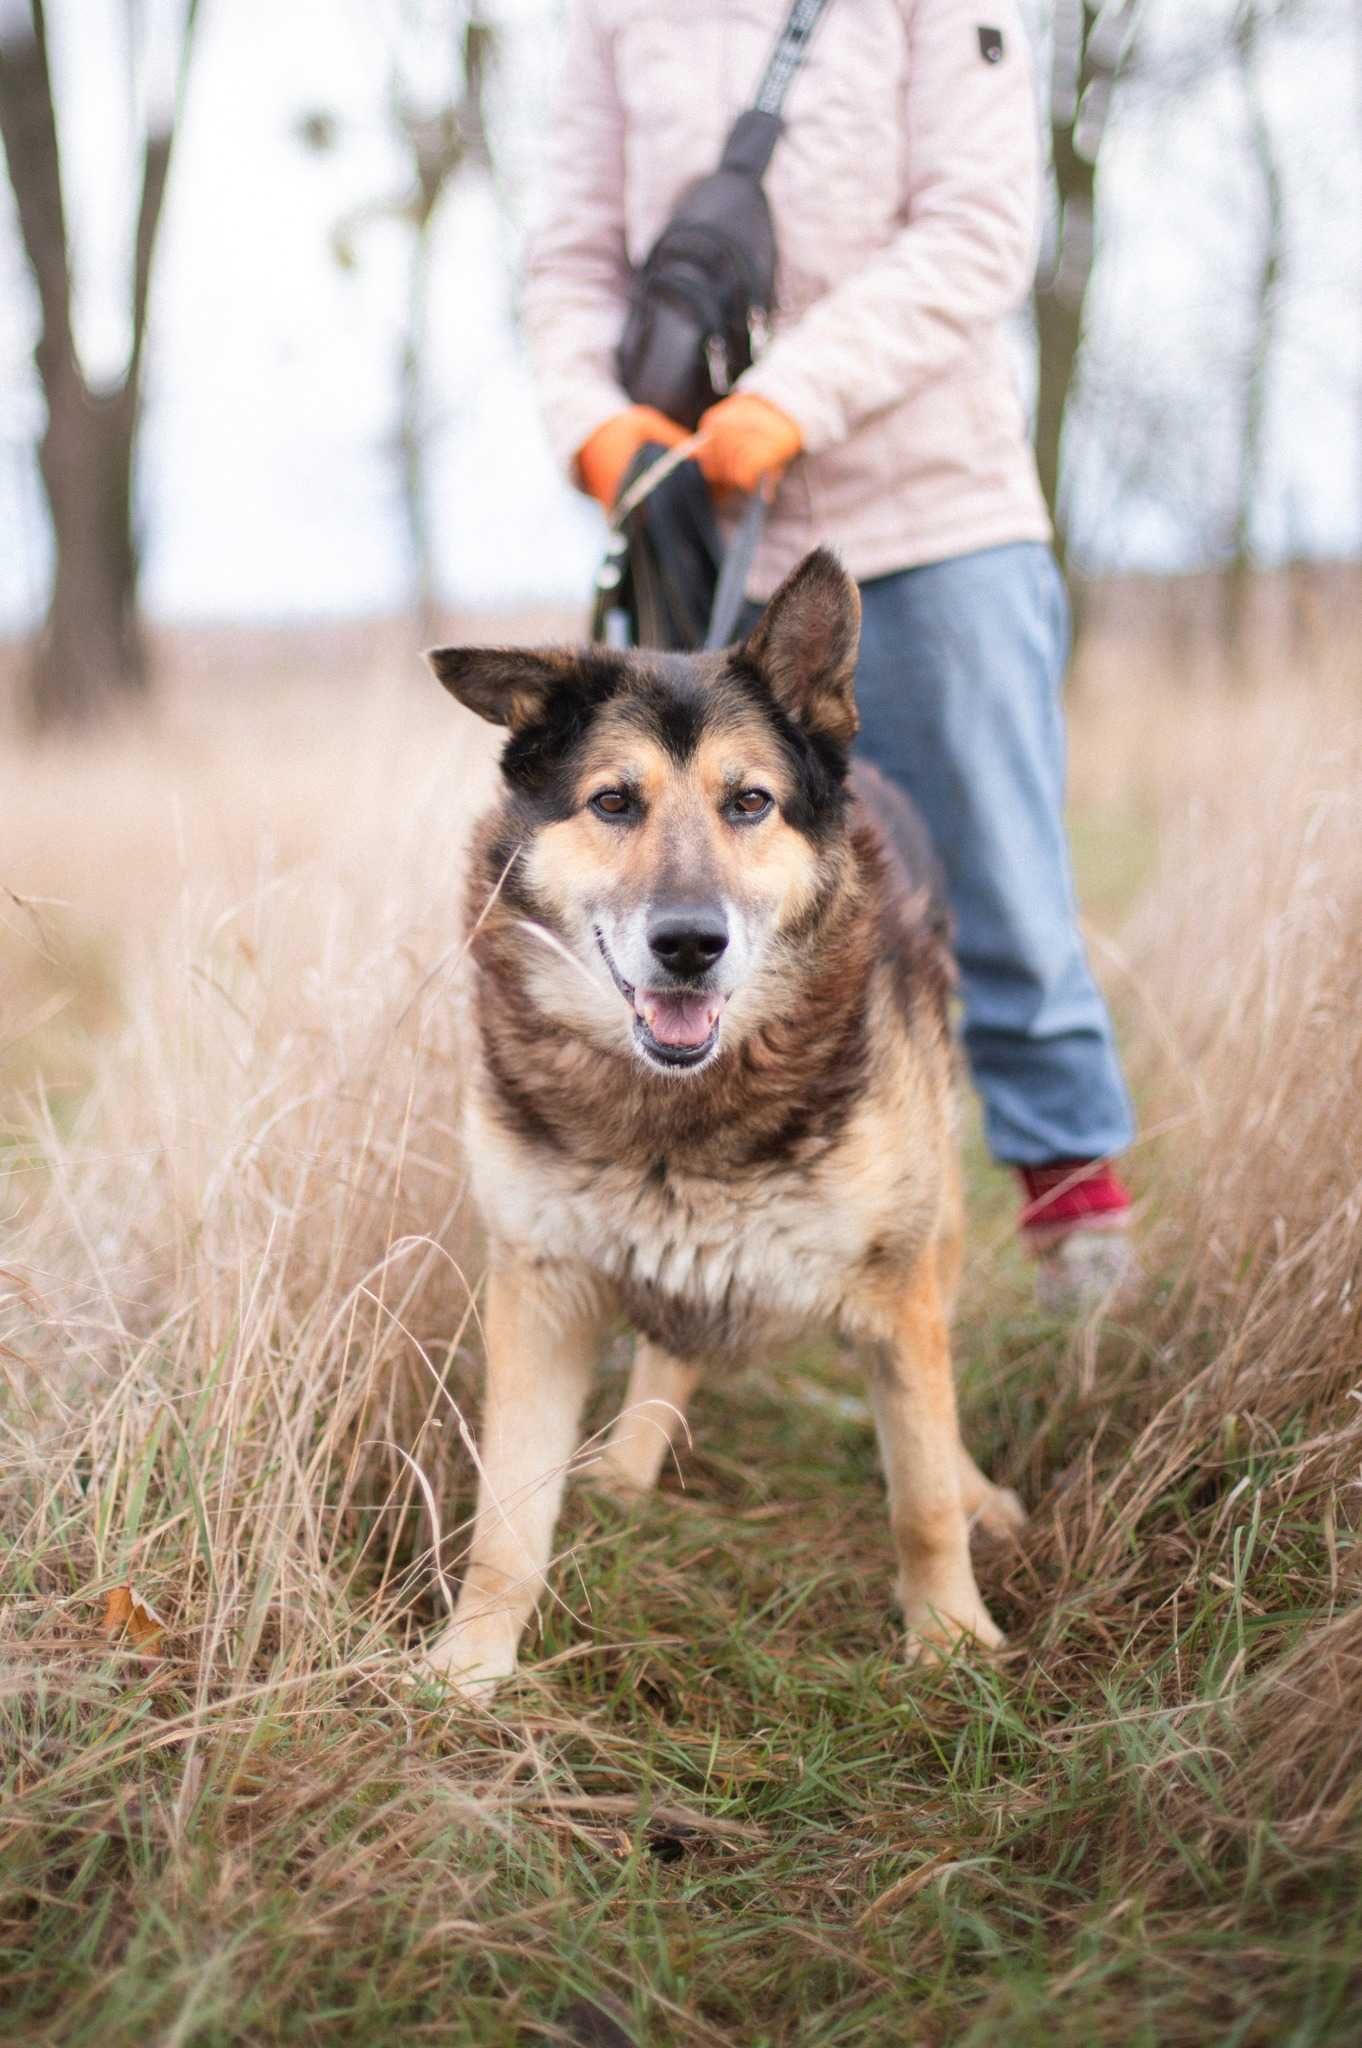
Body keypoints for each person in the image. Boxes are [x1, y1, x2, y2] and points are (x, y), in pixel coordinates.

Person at [518, 0, 1135, 1312]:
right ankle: (709, 1287)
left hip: (931, 525)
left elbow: (974, 232)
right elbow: (568, 259)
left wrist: (794, 396)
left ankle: (1084, 1275)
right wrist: (593, 426)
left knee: (1007, 916)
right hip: (701, 549)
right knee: (684, 916)